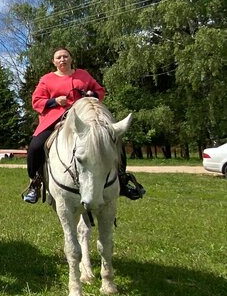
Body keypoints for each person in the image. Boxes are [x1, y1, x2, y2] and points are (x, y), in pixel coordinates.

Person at [22, 47, 146, 204]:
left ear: (71, 59)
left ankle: (122, 180)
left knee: (114, 140)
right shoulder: (46, 79)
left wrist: (91, 95)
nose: (62, 59)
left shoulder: (83, 75)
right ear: (53, 62)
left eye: (65, 56)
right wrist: (54, 101)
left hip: (86, 118)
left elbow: (99, 91)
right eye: (58, 57)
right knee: (35, 146)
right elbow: (36, 101)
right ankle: (35, 183)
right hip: (56, 119)